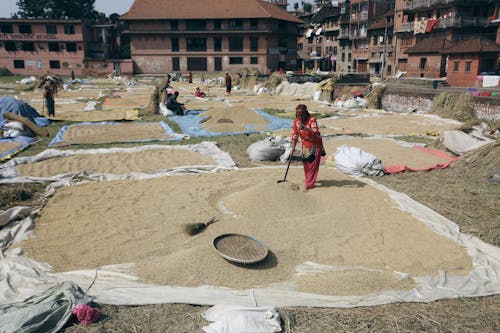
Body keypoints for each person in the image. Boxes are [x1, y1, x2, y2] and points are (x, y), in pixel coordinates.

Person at [291, 104, 325, 191]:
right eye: (298, 114)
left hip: (315, 144)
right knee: (306, 164)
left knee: (313, 165)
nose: (300, 116)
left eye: (302, 114)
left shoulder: (312, 120)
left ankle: (309, 184)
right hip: (305, 145)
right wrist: (293, 147)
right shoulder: (296, 121)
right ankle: (308, 180)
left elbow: (316, 133)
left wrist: (305, 128)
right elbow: (295, 135)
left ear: (306, 113)